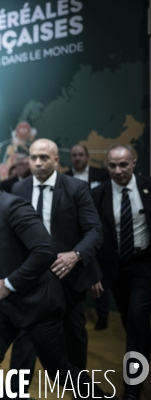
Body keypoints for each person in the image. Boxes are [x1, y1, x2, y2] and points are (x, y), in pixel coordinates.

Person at [0, 153, 113, 399]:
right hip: (2, 307)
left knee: (60, 372)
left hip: (36, 305)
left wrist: (8, 284)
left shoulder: (12, 205)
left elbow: (45, 251)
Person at [10, 139, 103, 391]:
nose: (38, 163)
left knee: (73, 337)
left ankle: (80, 392)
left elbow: (94, 230)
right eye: (33, 158)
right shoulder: (17, 190)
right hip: (30, 280)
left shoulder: (76, 188)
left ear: (56, 160)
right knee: (25, 341)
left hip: (69, 279)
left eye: (44, 157)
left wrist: (75, 254)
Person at [91, 145, 151, 400]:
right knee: (131, 322)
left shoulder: (148, 188)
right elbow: (90, 236)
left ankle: (132, 388)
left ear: (134, 163)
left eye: (123, 164)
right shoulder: (98, 195)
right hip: (116, 270)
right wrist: (93, 272)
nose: (118, 170)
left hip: (144, 265)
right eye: (112, 166)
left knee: (137, 319)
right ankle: (142, 354)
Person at [64, 144, 111, 330]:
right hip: (75, 238)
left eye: (80, 155)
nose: (77, 158)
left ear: (87, 156)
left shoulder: (102, 175)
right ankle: (75, 317)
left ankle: (103, 316)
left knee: (100, 278)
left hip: (98, 234)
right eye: (74, 155)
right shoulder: (65, 177)